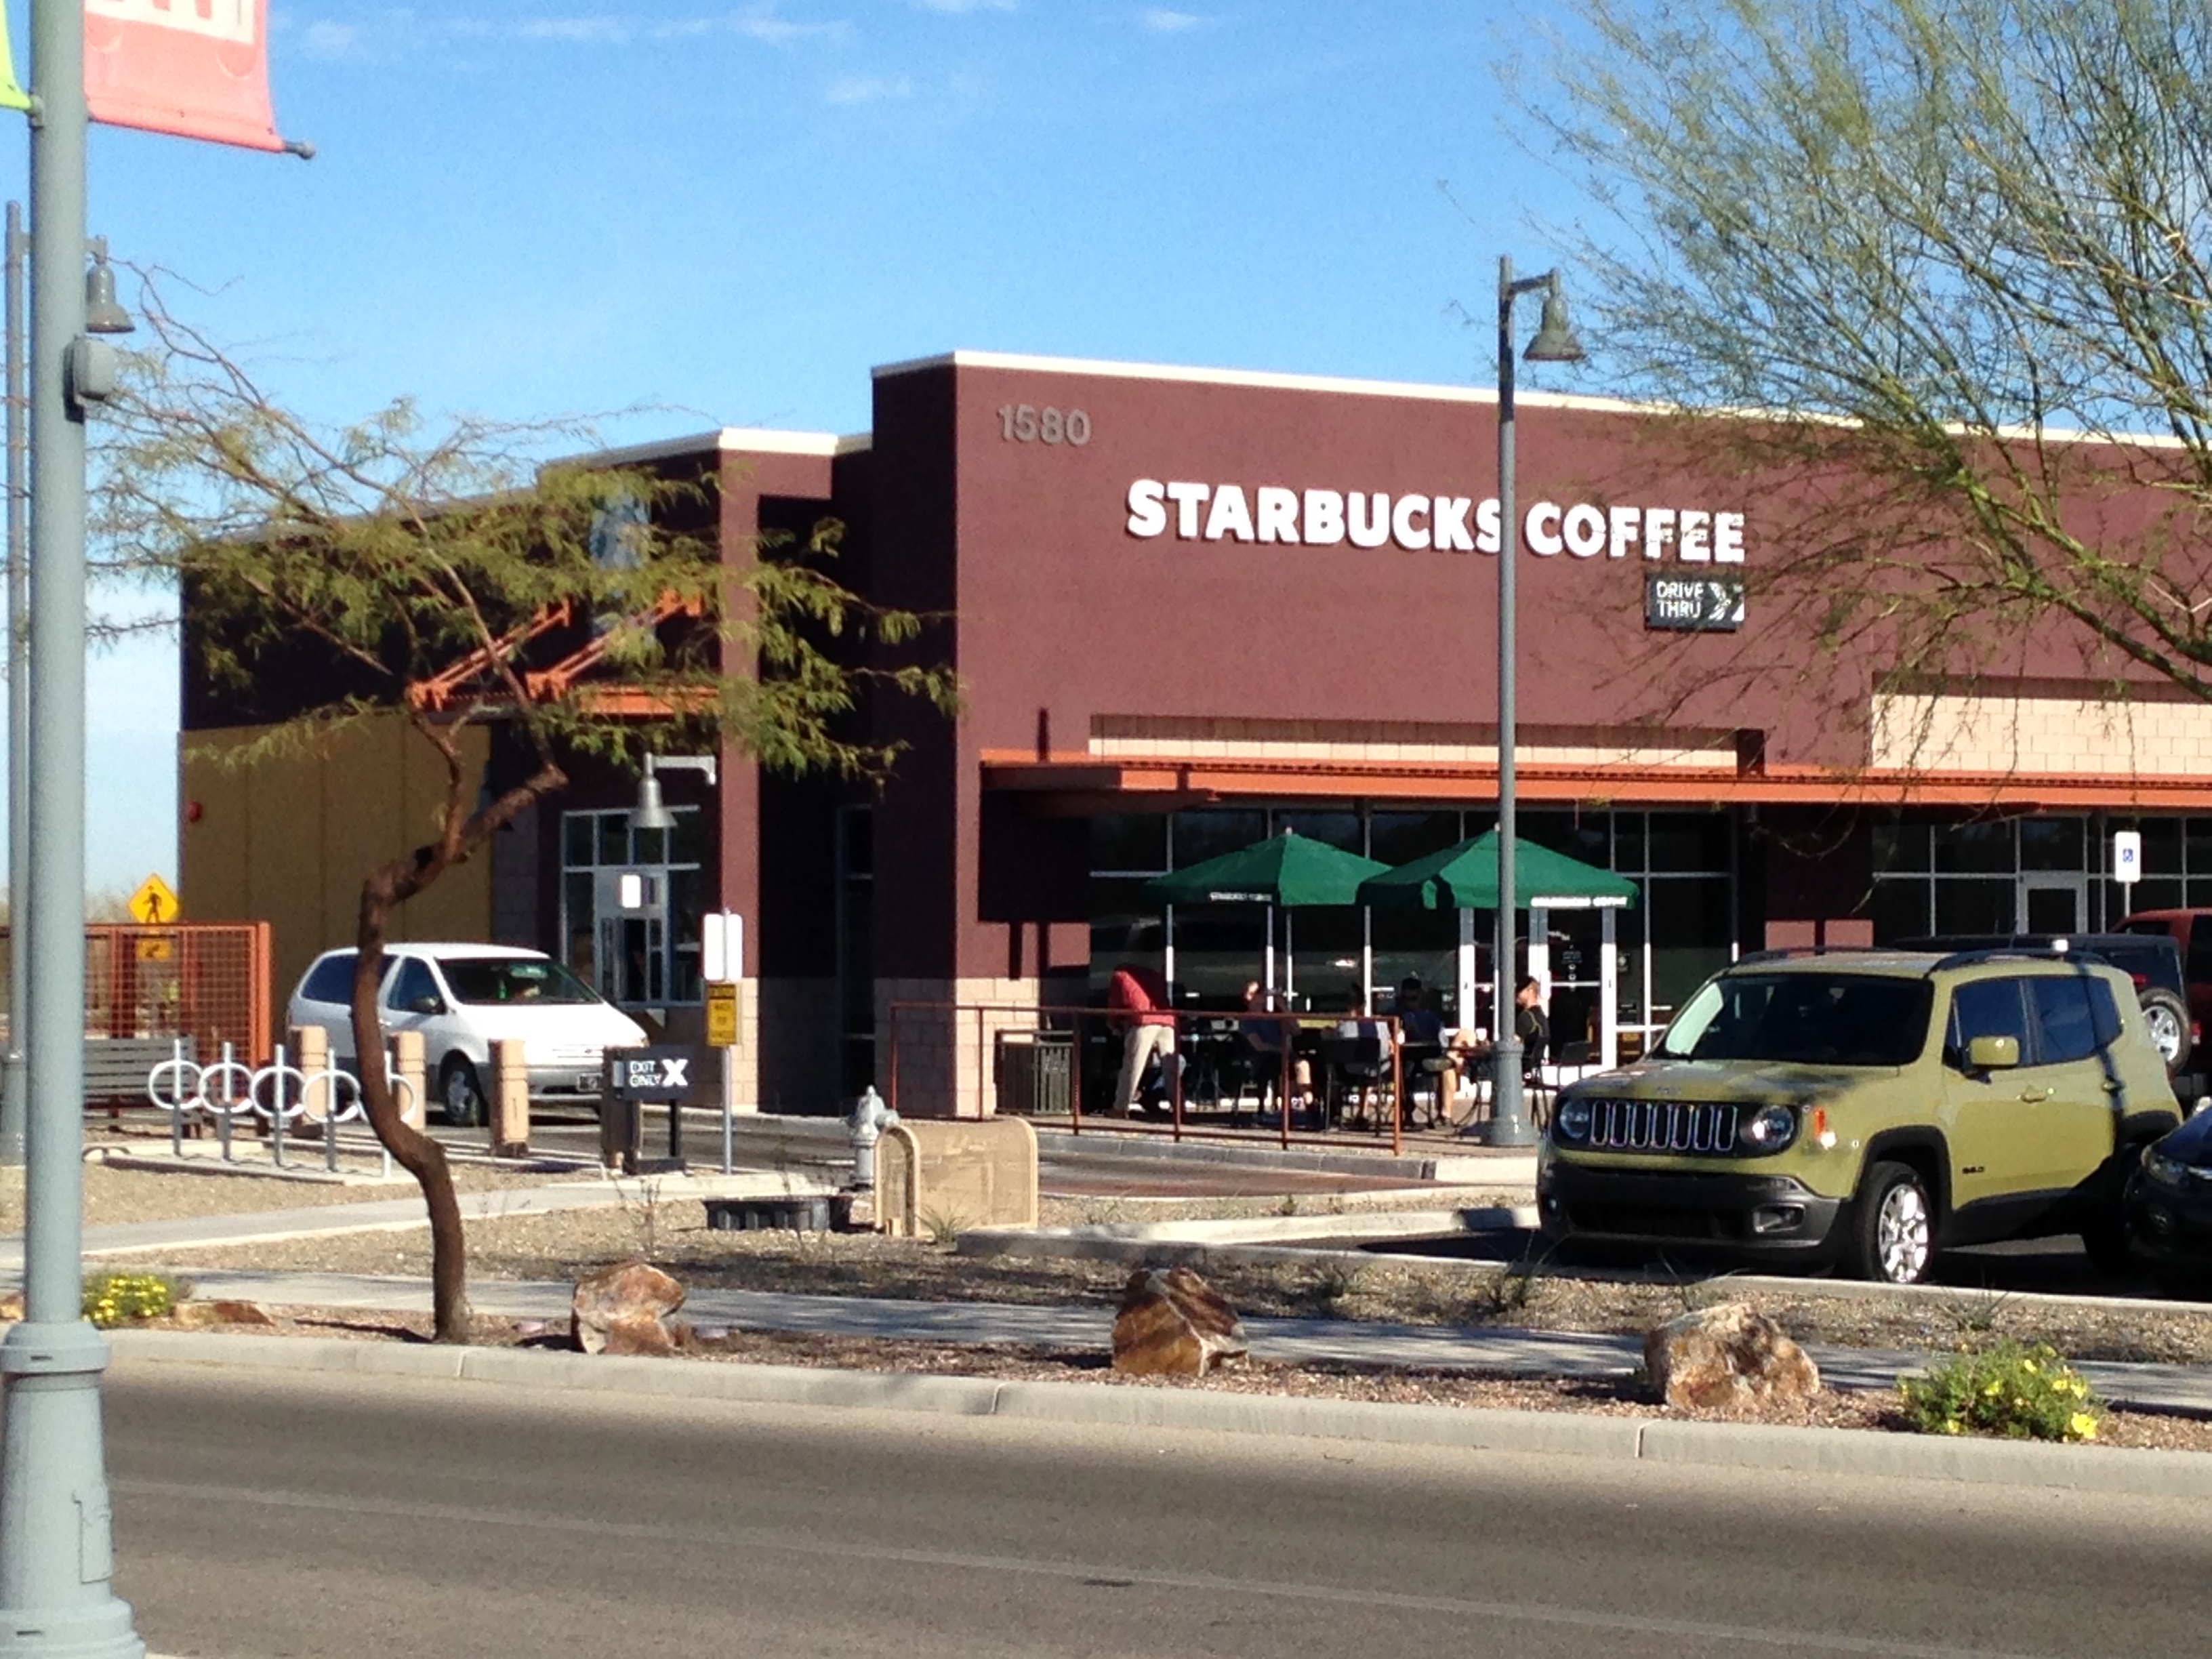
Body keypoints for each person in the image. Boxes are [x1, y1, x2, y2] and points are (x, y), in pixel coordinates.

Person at [1106, 960, 1176, 1118]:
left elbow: (1117, 1003)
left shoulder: (1120, 976)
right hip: (1167, 1021)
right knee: (1171, 1068)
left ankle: (1120, 1108)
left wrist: (1112, 1024)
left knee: (1133, 1067)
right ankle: (1179, 1108)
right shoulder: (1154, 976)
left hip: (1143, 1022)